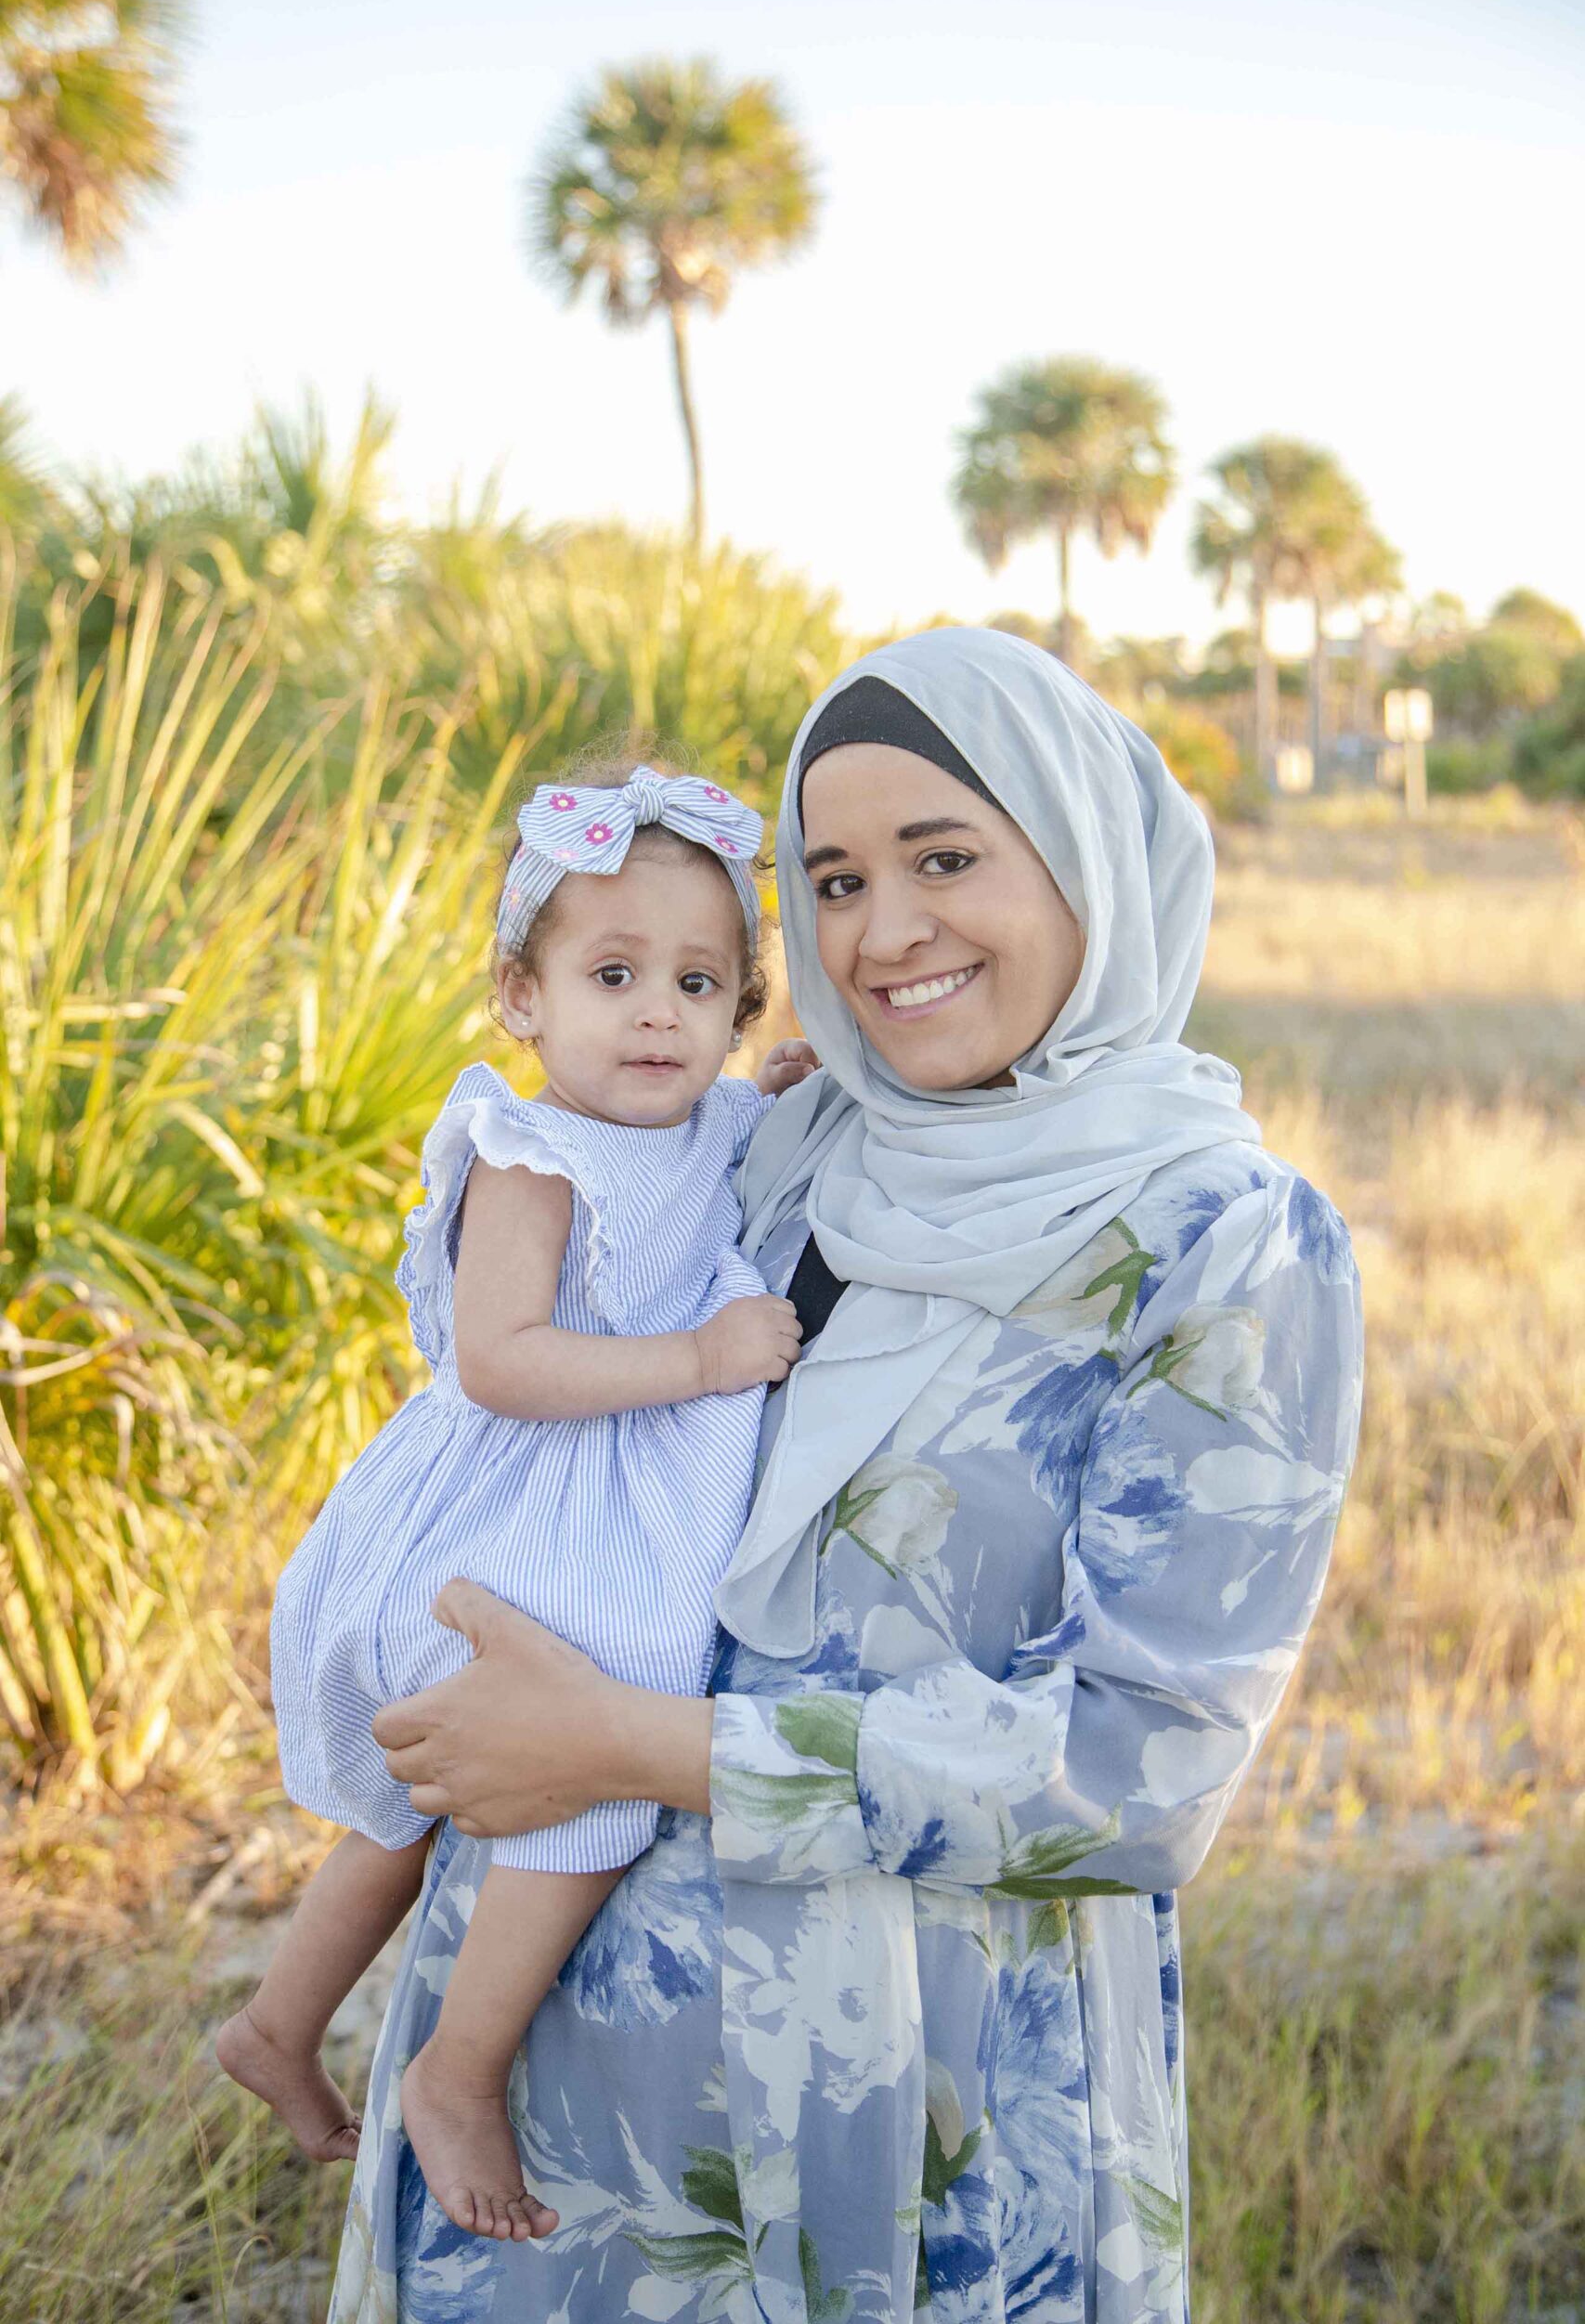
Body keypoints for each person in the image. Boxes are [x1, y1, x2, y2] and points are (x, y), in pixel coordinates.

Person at [328, 628, 1365, 2324]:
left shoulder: (1224, 1243)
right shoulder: (791, 1139)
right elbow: (528, 1383)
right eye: (833, 880)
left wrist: (626, 1744)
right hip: (555, 2087)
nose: (884, 935)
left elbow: (1138, 1770)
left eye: (946, 859)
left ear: (1086, 859)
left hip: (911, 2108)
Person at [218, 758, 816, 2243]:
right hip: (518, 1505)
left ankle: (277, 2025)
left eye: (699, 979)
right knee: (590, 1760)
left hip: (611, 1495)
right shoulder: (533, 1154)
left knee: (423, 1797)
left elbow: (749, 1146)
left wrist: (793, 1096)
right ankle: (457, 2070)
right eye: (614, 973)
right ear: (522, 997)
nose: (660, 1012)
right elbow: (498, 1360)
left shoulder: (710, 1123)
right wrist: (697, 1357)